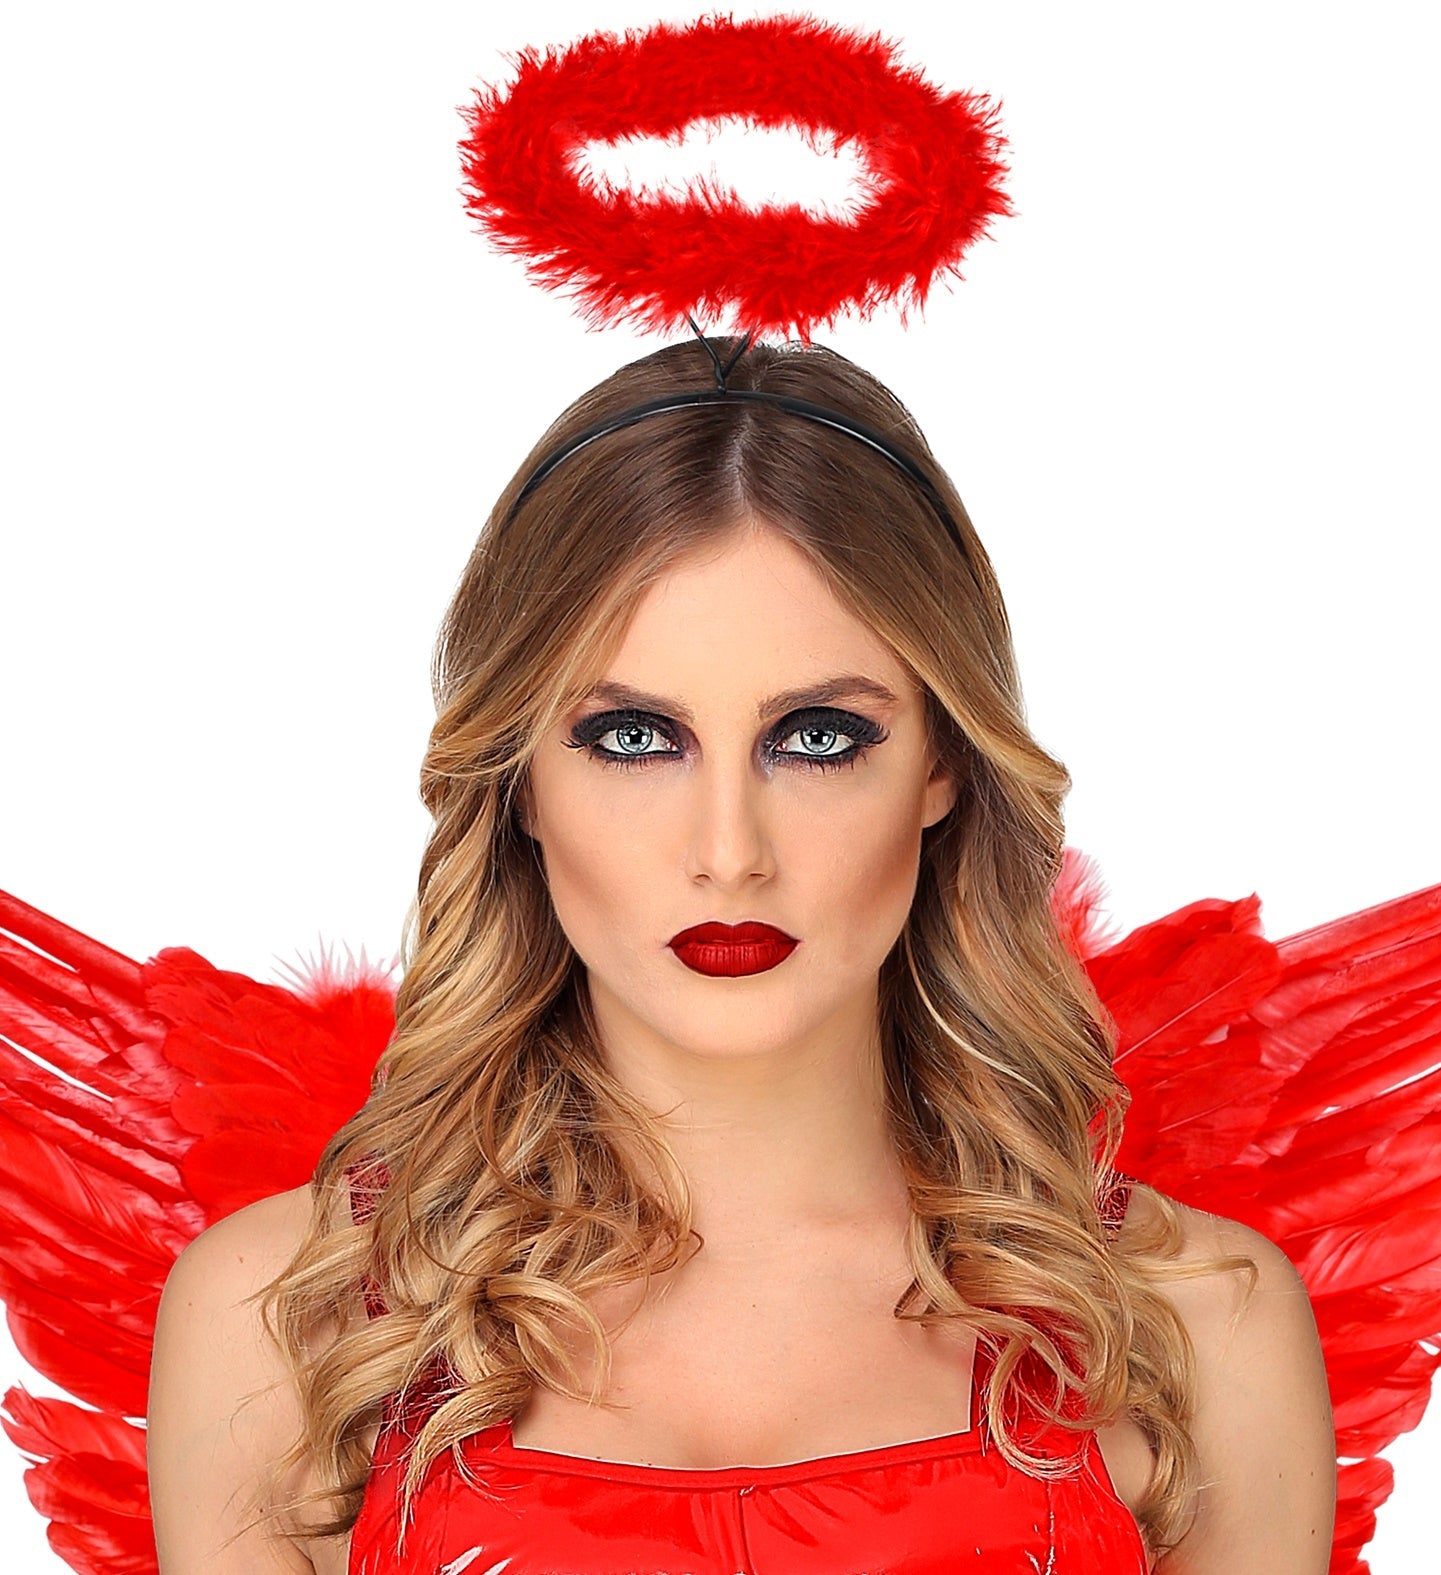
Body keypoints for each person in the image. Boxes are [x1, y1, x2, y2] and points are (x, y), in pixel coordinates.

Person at [144, 334, 1337, 1574]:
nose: (728, 853)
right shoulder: (288, 1326)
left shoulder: (1196, 1328)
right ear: (519, 783)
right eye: (632, 737)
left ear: (941, 765)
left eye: (815, 738)